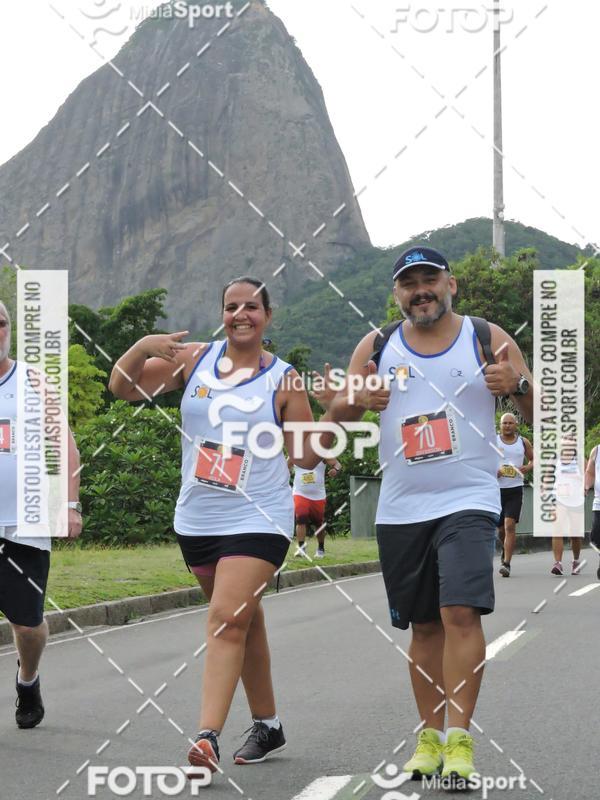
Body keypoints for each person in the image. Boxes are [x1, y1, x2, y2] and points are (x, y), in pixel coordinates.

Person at [324, 246, 533, 781]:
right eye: (408, 282)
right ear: (397, 293)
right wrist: (356, 399)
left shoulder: (487, 337)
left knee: (459, 612)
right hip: (402, 507)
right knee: (422, 626)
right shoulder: (377, 346)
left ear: (450, 285)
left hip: (469, 498)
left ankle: (459, 741)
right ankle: (430, 737)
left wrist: (516, 387)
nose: (420, 290)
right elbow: (334, 420)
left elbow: (542, 410)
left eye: (429, 279)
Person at [110, 277, 320, 774]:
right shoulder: (194, 360)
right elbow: (122, 388)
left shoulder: (284, 379)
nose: (240, 314)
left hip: (260, 516)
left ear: (268, 316)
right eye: (231, 306)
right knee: (243, 619)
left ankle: (206, 738)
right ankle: (268, 724)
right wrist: (143, 346)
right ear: (222, 314)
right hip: (198, 518)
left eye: (251, 306)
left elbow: (306, 455)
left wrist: (328, 429)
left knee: (227, 619)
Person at [0, 300, 83, 729]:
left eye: (0, 323)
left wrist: (70, 505)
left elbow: (64, 445)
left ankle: (27, 679)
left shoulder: (33, 381)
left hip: (24, 524)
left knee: (27, 625)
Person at [496, 413, 533, 577]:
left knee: (509, 525)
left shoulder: (523, 442)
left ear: (516, 424)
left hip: (515, 489)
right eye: (505, 423)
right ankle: (505, 549)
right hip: (496, 489)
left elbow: (534, 459)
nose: (507, 426)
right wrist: (493, 470)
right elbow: (483, 459)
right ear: (500, 425)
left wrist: (527, 467)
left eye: (510, 423)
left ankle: (507, 564)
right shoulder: (493, 440)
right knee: (500, 530)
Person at [290, 457, 341, 558]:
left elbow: (337, 464)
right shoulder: (295, 452)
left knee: (318, 523)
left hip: (318, 495)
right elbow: (285, 467)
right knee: (301, 519)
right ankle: (301, 548)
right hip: (300, 492)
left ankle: (321, 548)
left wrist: (335, 470)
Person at [551, 436, 585, 576]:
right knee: (557, 528)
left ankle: (576, 561)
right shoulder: (555, 459)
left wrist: (582, 483)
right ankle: (558, 563)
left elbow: (589, 476)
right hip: (559, 498)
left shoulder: (580, 460)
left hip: (576, 500)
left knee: (575, 534)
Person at [584, 443, 600, 579]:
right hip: (599, 502)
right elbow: (590, 472)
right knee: (596, 535)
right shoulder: (597, 450)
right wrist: (585, 487)